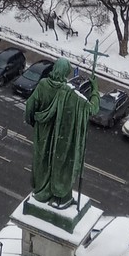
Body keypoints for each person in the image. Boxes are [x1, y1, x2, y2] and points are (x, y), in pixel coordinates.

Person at [24, 58, 100, 207]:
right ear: (65, 73)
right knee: (58, 163)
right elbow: (92, 109)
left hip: (43, 133)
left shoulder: (43, 85)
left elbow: (29, 106)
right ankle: (58, 195)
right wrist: (95, 89)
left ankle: (42, 191)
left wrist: (35, 123)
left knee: (43, 162)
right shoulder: (70, 95)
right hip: (60, 138)